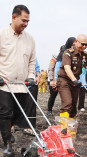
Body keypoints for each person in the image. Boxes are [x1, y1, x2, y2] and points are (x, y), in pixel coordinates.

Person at [0, 5, 36, 156]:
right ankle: (7, 143)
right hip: (4, 84)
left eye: (28, 21)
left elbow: (32, 61)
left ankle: (9, 132)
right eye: (23, 20)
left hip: (22, 85)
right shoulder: (2, 35)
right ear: (14, 17)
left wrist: (31, 76)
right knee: (5, 113)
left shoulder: (30, 39)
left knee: (17, 115)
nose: (26, 24)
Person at [57, 34, 87, 120]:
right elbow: (67, 68)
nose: (84, 46)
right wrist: (74, 80)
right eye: (82, 44)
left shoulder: (85, 55)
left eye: (86, 45)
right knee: (67, 103)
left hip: (75, 82)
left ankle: (70, 124)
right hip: (64, 80)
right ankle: (64, 127)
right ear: (76, 42)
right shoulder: (68, 52)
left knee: (74, 105)